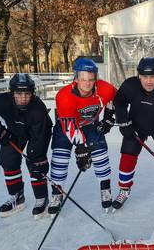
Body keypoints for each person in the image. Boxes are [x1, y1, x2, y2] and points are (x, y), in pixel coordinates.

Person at [112, 57, 154, 211]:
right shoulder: (130, 85)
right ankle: (124, 189)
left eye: (152, 77)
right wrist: (123, 123)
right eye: (144, 77)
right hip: (136, 126)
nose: (148, 81)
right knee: (127, 156)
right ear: (139, 76)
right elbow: (119, 103)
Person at [49, 58, 116, 215]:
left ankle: (105, 189)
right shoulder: (64, 96)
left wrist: (109, 115)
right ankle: (57, 193)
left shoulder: (105, 88)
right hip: (66, 124)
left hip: (89, 124)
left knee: (100, 153)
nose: (87, 83)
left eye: (91, 79)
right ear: (76, 78)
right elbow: (69, 127)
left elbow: (115, 98)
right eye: (83, 79)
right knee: (60, 157)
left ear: (95, 79)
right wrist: (81, 148)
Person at [0, 73, 53, 219]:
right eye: (18, 94)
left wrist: (36, 155)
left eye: (27, 94)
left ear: (32, 93)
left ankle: (41, 198)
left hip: (36, 133)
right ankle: (17, 196)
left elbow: (42, 135)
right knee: (8, 160)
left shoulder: (38, 110)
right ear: (11, 92)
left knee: (36, 162)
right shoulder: (3, 101)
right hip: (14, 132)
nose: (23, 98)